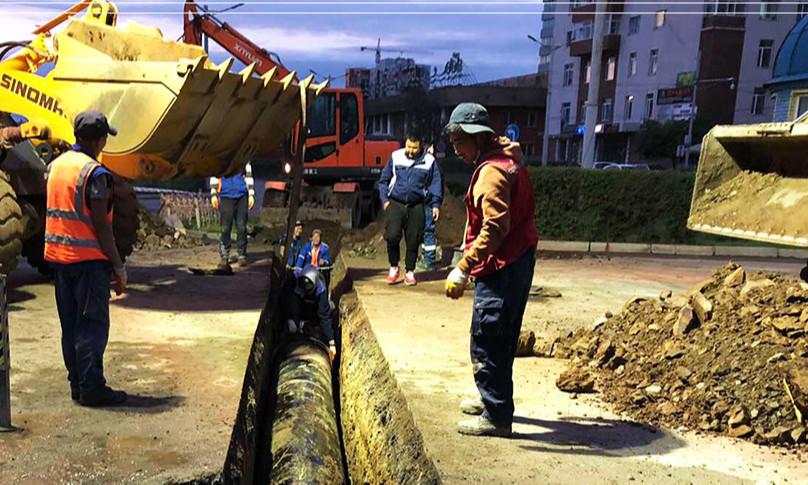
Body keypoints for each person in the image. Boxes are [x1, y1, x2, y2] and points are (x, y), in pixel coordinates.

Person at [443, 103, 538, 437]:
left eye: (459, 142)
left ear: (477, 137)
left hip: (502, 263)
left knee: (487, 338)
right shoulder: (507, 158)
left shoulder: (491, 174)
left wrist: (464, 267)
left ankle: (496, 416)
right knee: (503, 336)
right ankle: (493, 399)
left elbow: (495, 227)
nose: (456, 150)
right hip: (517, 259)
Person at [44, 110, 128, 407]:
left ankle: (77, 385)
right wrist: (118, 266)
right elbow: (102, 226)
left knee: (70, 326)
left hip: (59, 260)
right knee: (91, 326)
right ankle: (92, 388)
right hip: (88, 262)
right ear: (101, 140)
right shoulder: (95, 173)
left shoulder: (55, 167)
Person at [379, 131, 443, 286]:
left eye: (414, 148)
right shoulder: (396, 157)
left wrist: (435, 205)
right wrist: (385, 201)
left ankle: (409, 271)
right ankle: (394, 266)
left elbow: (436, 184)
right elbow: (383, 180)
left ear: (421, 146)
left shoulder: (429, 161)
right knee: (392, 235)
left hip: (417, 205)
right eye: (408, 146)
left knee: (413, 239)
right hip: (395, 203)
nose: (410, 150)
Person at [279, 266, 337, 359]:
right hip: (295, 310)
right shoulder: (293, 279)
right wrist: (289, 318)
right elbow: (283, 300)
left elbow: (324, 316)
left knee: (331, 308)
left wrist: (331, 342)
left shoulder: (320, 291)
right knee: (292, 301)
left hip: (311, 313)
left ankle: (308, 328)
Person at [210, 163, 254, 269]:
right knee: (225, 228)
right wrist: (213, 194)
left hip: (242, 195)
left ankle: (242, 255)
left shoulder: (243, 156)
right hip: (225, 195)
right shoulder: (221, 155)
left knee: (242, 226)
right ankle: (224, 256)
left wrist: (251, 194)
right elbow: (215, 172)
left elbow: (248, 174)